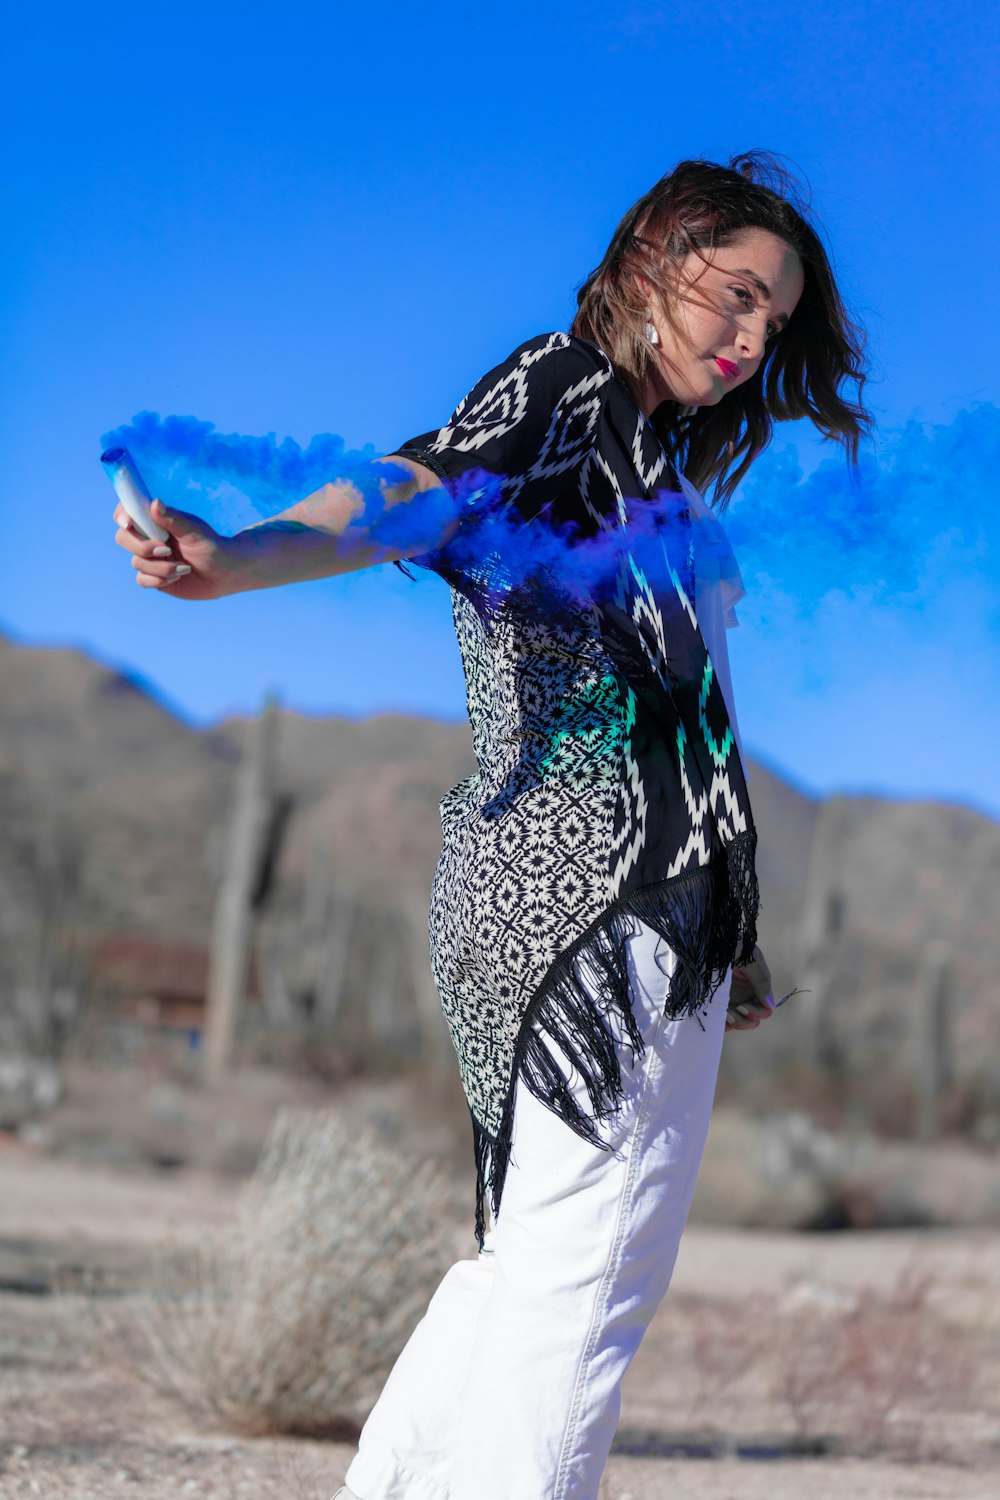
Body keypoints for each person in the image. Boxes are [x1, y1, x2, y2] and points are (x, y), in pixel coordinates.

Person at [113, 151, 869, 1500]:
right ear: (653, 257)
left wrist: (733, 935)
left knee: (526, 1266)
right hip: (595, 906)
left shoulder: (655, 491)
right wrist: (243, 558)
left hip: (593, 910)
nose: (754, 340)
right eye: (737, 296)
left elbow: (693, 732)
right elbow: (414, 488)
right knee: (583, 1292)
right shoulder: (564, 391)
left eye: (777, 321)